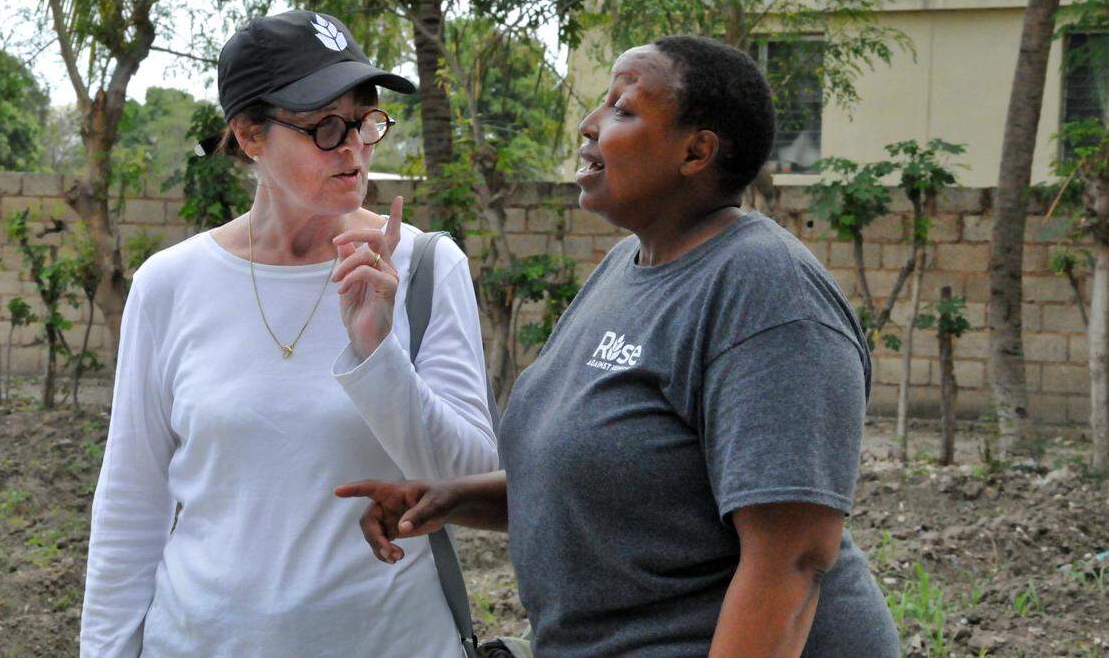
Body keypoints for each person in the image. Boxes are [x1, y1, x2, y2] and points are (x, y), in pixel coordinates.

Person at [336, 35, 900, 657]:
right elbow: (629, 484)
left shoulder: (766, 292)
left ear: (697, 151)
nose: (588, 125)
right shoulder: (624, 270)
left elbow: (791, 560)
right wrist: (455, 496)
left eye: (623, 110)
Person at [79, 10, 498, 657]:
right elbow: (131, 510)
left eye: (366, 121)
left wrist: (376, 354)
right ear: (249, 135)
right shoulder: (170, 284)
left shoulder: (422, 267)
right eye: (327, 127)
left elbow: (468, 479)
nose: (356, 148)